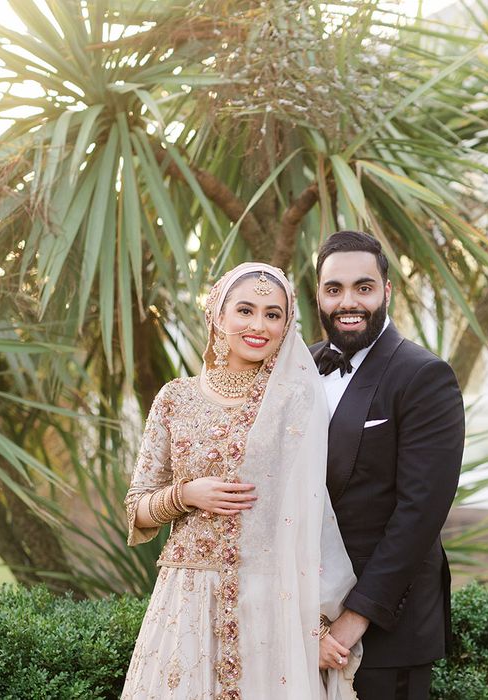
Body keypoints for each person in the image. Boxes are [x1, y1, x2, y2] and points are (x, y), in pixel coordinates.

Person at [122, 262, 360, 700]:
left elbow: (310, 518)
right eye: (245, 310)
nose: (259, 325)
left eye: (273, 314)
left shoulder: (295, 401)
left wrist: (316, 624)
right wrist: (185, 495)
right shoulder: (176, 397)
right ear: (218, 314)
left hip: (267, 597)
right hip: (186, 599)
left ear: (287, 325)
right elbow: (136, 506)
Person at [310, 231, 465, 700]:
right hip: (306, 626)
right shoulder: (300, 367)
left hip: (383, 632)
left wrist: (354, 620)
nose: (348, 302)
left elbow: (419, 514)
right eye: (334, 289)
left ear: (387, 291)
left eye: (363, 287)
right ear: (317, 294)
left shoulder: (423, 375)